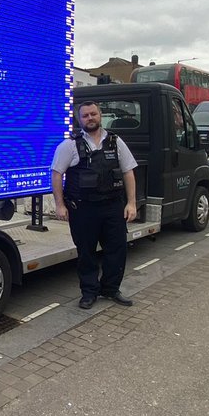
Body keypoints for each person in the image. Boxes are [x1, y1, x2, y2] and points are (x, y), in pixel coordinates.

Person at [51, 101, 139, 310]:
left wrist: (132, 203)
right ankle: (89, 292)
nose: (90, 118)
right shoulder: (70, 145)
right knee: (86, 253)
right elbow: (56, 174)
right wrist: (60, 205)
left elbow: (128, 172)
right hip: (83, 208)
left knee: (116, 250)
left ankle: (110, 289)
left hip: (112, 207)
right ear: (79, 119)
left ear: (100, 115)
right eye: (85, 116)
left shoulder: (116, 142)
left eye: (93, 114)